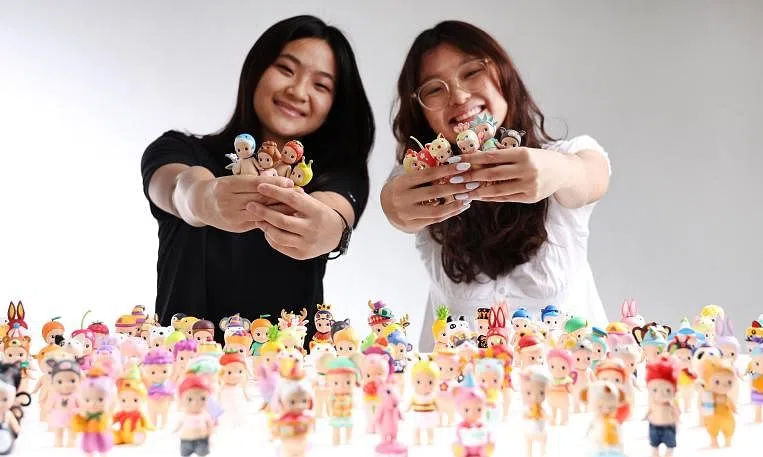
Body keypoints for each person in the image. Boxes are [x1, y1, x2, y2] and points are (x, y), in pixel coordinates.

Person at [141, 15, 374, 342]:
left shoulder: (337, 175)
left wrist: (329, 230)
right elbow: (178, 187)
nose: (298, 91)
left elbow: (334, 212)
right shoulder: (177, 150)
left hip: (290, 366)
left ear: (334, 106)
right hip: (180, 363)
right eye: (286, 69)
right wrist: (203, 198)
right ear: (257, 70)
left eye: (321, 85)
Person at [381, 21, 611, 351]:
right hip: (457, 379)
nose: (459, 96)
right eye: (434, 89)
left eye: (472, 72)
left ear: (503, 73)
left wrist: (560, 170)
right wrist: (393, 203)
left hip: (575, 376)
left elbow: (591, 176)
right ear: (421, 112)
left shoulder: (567, 154)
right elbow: (395, 202)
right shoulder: (423, 176)